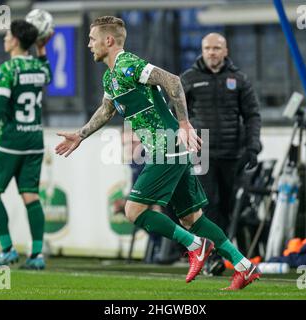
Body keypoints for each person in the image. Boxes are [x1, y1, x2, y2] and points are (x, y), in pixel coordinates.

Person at [55, 16, 260, 290]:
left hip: (167, 145)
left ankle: (195, 246)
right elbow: (107, 110)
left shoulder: (128, 64)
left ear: (108, 40)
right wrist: (80, 135)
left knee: (133, 210)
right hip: (163, 148)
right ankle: (244, 267)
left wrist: (184, 123)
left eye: (92, 39)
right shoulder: (111, 76)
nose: (88, 44)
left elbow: (172, 81)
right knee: (191, 218)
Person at [180, 33, 262, 275]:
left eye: (216, 48)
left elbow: (252, 115)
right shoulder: (188, 79)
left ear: (225, 51)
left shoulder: (239, 79)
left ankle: (223, 255)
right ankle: (212, 258)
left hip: (232, 155)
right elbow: (176, 114)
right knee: (209, 205)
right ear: (202, 50)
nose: (212, 52)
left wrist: (252, 146)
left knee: (228, 207)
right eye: (207, 48)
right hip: (201, 154)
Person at [0, 19, 52, 270]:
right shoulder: (39, 68)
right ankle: (37, 255)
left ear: (16, 40)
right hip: (34, 141)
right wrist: (41, 49)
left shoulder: (7, 69)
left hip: (10, 141)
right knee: (30, 195)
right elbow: (48, 75)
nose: (4, 39)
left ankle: (7, 250)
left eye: (8, 35)